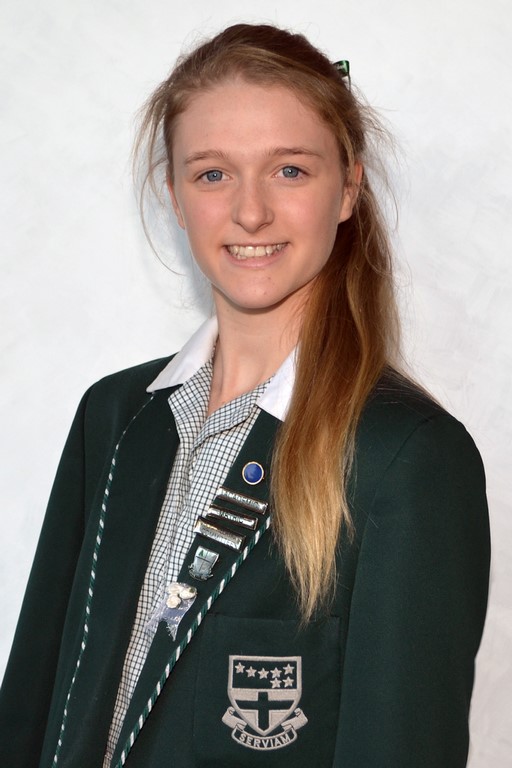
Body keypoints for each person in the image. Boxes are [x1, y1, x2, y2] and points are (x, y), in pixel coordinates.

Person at [0, 23, 490, 768]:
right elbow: (34, 705)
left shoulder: (408, 458)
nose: (251, 212)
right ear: (174, 195)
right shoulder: (115, 415)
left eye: (289, 170)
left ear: (348, 189)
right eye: (212, 174)